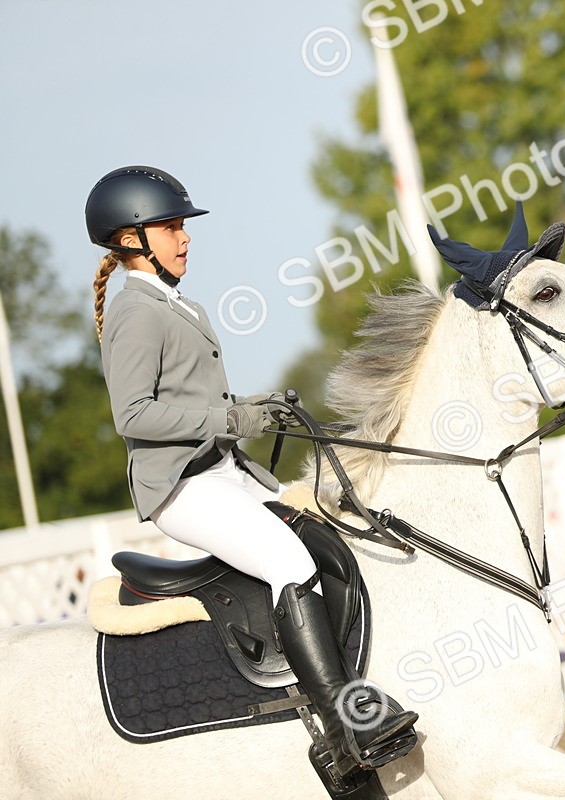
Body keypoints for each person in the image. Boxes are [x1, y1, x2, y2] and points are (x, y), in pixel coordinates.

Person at [86, 165, 417, 770]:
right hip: (183, 487)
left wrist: (251, 409)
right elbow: (134, 417)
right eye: (171, 228)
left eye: (183, 227)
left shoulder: (174, 302)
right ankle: (348, 723)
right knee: (288, 561)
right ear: (132, 238)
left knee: (320, 534)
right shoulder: (137, 310)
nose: (185, 239)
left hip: (224, 473)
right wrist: (233, 421)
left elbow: (191, 402)